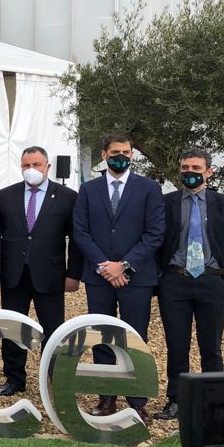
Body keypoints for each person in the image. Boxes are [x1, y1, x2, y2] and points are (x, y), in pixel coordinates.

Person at [72, 132, 165, 423]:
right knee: (102, 337)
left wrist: (123, 266)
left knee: (135, 338)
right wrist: (105, 266)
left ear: (132, 155)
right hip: (99, 277)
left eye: (126, 152)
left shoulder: (149, 188)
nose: (121, 157)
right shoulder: (88, 189)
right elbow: (80, 231)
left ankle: (137, 401)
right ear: (104, 155)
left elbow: (155, 233)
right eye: (115, 152)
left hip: (136, 277)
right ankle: (107, 397)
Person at [0, 146, 83, 396]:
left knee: (53, 329)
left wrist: (74, 274)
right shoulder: (6, 195)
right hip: (14, 274)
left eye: (36, 164)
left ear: (47, 167)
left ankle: (53, 377)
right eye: (26, 165)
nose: (31, 169)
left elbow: (76, 238)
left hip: (50, 275)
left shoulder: (67, 196)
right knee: (13, 329)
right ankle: (14, 378)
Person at [153, 148, 224, 421]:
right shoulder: (166, 202)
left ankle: (214, 406)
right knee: (176, 345)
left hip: (212, 280)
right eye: (185, 168)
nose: (190, 173)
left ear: (209, 171)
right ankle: (176, 401)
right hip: (175, 281)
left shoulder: (222, 203)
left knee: (211, 347)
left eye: (196, 168)